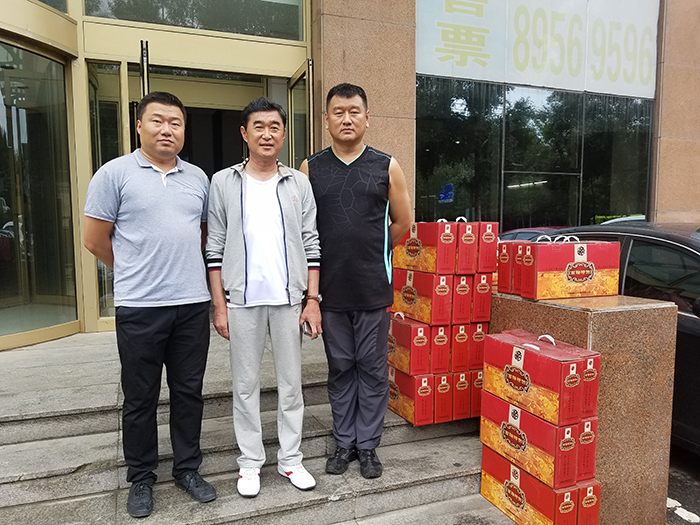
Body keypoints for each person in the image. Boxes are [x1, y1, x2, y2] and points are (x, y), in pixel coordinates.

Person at [83, 91, 216, 518]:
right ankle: (141, 477)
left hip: (192, 304)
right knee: (140, 397)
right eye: (157, 120)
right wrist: (133, 269)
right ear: (139, 125)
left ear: (183, 130)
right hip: (140, 307)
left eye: (175, 122)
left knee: (188, 393)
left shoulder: (198, 178)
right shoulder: (114, 174)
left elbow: (202, 235)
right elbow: (94, 239)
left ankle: (187, 469)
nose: (167, 129)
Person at [206, 97, 321, 498]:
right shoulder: (223, 182)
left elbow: (311, 242)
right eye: (259, 126)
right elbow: (214, 245)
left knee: (291, 386)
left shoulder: (297, 183)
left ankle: (290, 459)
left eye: (275, 126)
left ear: (284, 134)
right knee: (245, 386)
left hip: (289, 300)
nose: (267, 134)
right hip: (241, 301)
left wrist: (312, 299)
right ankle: (250, 462)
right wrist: (219, 305)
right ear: (244, 133)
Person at [299, 83, 412, 479]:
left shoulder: (386, 166)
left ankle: (368, 446)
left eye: (354, 111)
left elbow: (402, 222)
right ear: (326, 119)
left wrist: (372, 252)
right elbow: (304, 229)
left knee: (372, 368)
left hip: (371, 289)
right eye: (338, 112)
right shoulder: (310, 168)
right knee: (341, 367)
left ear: (367, 118)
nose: (346, 119)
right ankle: (344, 441)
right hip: (329, 292)